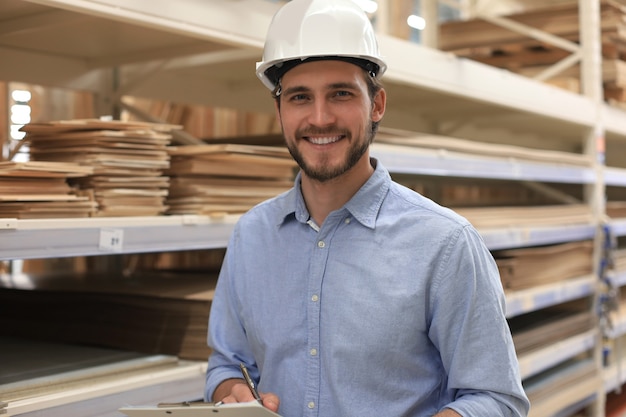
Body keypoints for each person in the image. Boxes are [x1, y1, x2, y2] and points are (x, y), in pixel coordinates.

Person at [204, 0, 530, 416]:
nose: (319, 118)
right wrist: (232, 391)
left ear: (376, 105)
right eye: (300, 97)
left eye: (340, 94)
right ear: (280, 111)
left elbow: (497, 399)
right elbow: (226, 364)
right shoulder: (252, 235)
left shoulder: (444, 244)